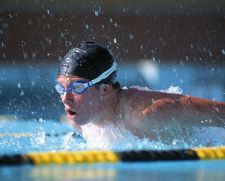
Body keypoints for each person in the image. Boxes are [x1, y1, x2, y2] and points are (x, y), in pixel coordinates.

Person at [55, 41, 225, 142]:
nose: (65, 97)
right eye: (61, 87)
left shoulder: (147, 113)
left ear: (104, 90)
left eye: (76, 87)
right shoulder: (80, 120)